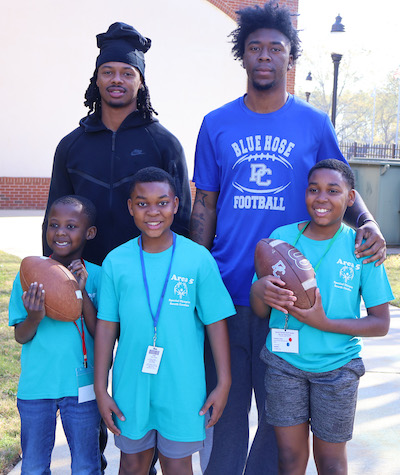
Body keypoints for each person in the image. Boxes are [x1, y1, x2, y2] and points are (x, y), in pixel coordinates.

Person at [189, 2, 386, 474]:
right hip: (229, 288)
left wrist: (369, 223)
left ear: (289, 57)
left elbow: (340, 183)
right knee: (227, 410)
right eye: (254, 47)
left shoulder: (313, 123)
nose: (264, 56)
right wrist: (195, 274)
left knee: (282, 418)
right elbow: (204, 206)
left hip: (295, 298)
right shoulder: (216, 123)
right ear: (243, 55)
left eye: (275, 48)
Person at [250, 159, 393, 474]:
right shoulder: (281, 239)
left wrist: (323, 323)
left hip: (337, 369)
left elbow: (381, 323)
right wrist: (260, 290)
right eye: (314, 189)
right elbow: (261, 310)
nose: (321, 198)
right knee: (288, 458)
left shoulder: (361, 246)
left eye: (333, 190)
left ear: (350, 197)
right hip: (284, 365)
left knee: (330, 462)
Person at [94, 167, 235, 474]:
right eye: (142, 203)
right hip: (131, 383)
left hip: (182, 386)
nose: (152, 211)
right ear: (130, 207)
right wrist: (100, 387)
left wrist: (223, 382)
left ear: (175, 203)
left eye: (161, 202)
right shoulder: (116, 261)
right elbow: (106, 326)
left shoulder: (197, 259)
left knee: (177, 465)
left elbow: (216, 322)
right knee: (132, 463)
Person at [43, 22, 191, 266]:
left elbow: (182, 220)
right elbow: (53, 216)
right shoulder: (71, 145)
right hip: (83, 275)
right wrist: (50, 272)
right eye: (108, 72)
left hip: (145, 276)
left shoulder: (165, 144)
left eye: (127, 73)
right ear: (97, 79)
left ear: (141, 81)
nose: (116, 80)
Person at [9, 195, 102, 474]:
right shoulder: (29, 275)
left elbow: (102, 332)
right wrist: (35, 315)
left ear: (89, 232)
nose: (60, 232)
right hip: (37, 387)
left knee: (86, 465)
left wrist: (81, 291)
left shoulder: (97, 275)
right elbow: (21, 337)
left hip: (81, 388)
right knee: (34, 466)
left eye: (71, 226)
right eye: (53, 224)